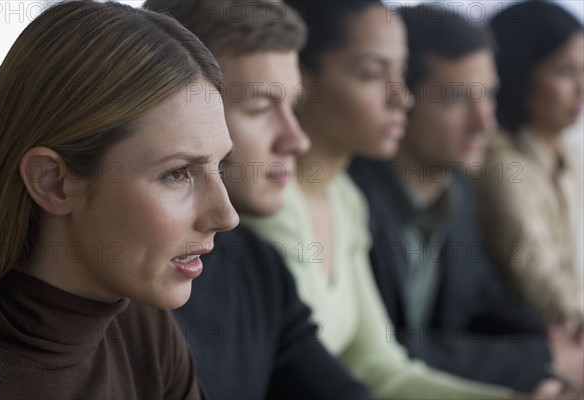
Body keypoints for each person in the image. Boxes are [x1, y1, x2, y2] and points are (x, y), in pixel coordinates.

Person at [243, 1, 572, 398]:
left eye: (400, 73)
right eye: (371, 74)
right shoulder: (266, 203)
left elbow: (382, 367)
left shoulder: (347, 199)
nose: (403, 98)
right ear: (302, 79)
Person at [0, 1, 239, 398]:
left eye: (220, 167)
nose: (226, 215)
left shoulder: (141, 327)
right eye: (178, 173)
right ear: (52, 182)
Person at [144, 0, 371, 398]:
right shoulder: (117, 287)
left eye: (293, 107)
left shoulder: (256, 264)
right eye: (262, 107)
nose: (297, 139)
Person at [348, 4, 561, 392]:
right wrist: (546, 358)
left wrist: (558, 342)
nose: (485, 122)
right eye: (456, 99)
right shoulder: (352, 197)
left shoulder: (458, 193)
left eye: (489, 96)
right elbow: (384, 353)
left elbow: (486, 307)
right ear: (400, 98)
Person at [478, 0, 584, 325]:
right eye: (564, 71)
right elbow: (544, 291)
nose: (581, 88)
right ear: (519, 73)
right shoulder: (501, 165)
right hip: (529, 345)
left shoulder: (572, 157)